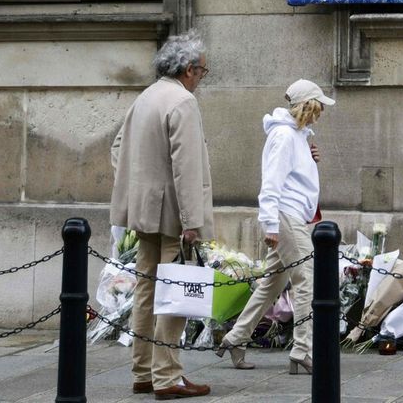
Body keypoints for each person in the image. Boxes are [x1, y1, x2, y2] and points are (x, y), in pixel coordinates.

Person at [110, 31, 215, 400]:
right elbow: (186, 168)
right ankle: (167, 376)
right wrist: (192, 221)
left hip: (144, 209)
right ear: (188, 69)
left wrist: (137, 185)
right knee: (176, 292)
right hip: (173, 212)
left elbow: (118, 147)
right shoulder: (182, 101)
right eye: (202, 71)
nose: (202, 77)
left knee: (146, 289)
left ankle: (143, 372)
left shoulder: (146, 96)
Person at [214, 79, 334, 375]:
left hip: (290, 216)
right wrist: (269, 224)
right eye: (318, 108)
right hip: (286, 217)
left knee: (273, 283)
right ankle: (302, 350)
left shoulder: (296, 136)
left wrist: (310, 156)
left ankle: (236, 338)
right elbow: (271, 184)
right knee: (307, 278)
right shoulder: (284, 135)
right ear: (309, 106)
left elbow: (295, 177)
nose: (321, 114)